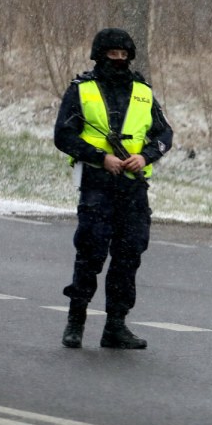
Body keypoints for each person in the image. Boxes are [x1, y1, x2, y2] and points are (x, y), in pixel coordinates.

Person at [54, 28, 173, 349]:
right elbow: (63, 136)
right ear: (99, 55)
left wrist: (144, 156)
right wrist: (100, 158)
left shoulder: (143, 92)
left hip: (133, 189)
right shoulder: (82, 90)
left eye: (124, 55)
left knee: (128, 256)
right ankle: (75, 322)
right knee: (91, 254)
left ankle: (116, 326)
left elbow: (165, 136)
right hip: (97, 185)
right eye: (113, 55)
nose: (119, 60)